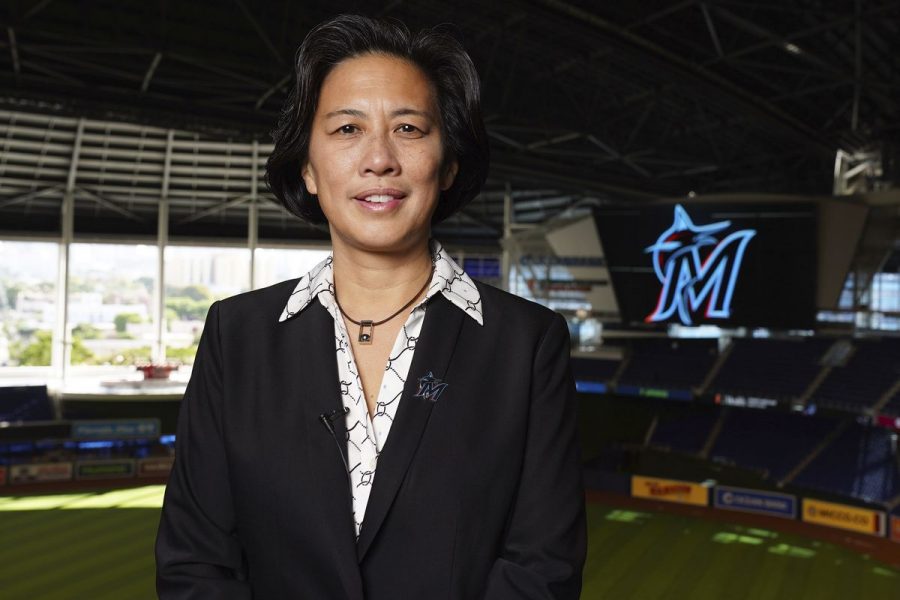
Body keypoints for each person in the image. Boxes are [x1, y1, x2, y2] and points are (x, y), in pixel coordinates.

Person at [155, 14, 586, 599]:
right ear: (307, 167)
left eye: (409, 128)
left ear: (450, 162)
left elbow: (543, 570)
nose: (378, 158)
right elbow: (193, 566)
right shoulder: (237, 336)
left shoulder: (527, 343)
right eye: (346, 129)